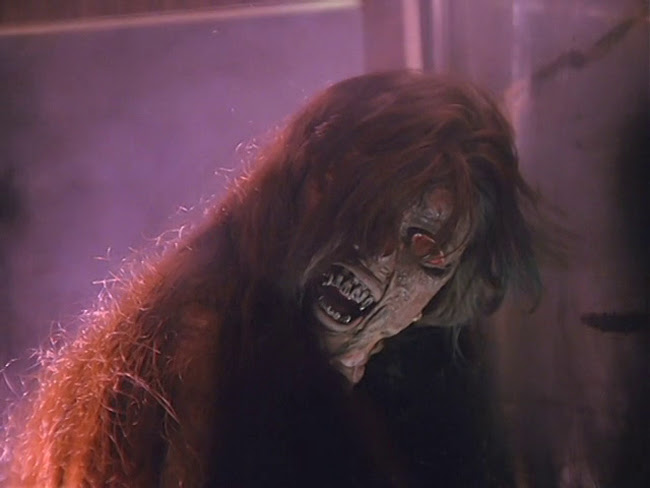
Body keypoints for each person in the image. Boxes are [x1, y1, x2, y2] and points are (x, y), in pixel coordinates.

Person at [5, 70, 541, 487]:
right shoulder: (212, 354)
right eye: (363, 208)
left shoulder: (311, 368)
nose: (378, 254)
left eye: (423, 245)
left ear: (435, 298)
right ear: (302, 189)